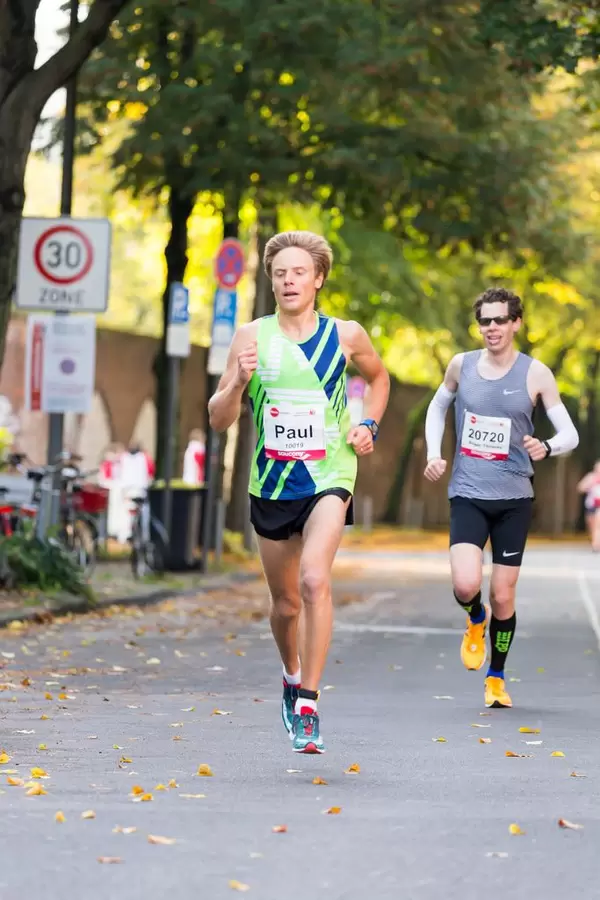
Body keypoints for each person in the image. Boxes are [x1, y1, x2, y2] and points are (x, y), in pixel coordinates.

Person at [208, 230, 390, 753]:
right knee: (286, 604)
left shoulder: (346, 335)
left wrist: (369, 425)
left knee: (314, 579)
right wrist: (236, 384)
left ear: (318, 280)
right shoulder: (251, 337)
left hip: (331, 473)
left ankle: (308, 702)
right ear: (271, 281)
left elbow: (380, 380)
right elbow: (218, 419)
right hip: (272, 481)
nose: (289, 281)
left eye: (299, 273)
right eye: (280, 273)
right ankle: (291, 675)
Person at [423, 287, 579, 709]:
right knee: (465, 584)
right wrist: (434, 453)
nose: (491, 328)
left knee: (504, 597)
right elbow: (437, 408)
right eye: (484, 321)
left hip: (514, 499)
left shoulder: (536, 374)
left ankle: (496, 677)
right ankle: (475, 618)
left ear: (516, 323)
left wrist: (546, 446)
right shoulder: (462, 365)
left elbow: (570, 434)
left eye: (499, 320)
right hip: (468, 493)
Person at [577, 461, 600, 552]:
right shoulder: (590, 477)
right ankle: (595, 541)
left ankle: (596, 545)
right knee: (591, 525)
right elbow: (580, 488)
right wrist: (590, 484)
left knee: (597, 525)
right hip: (591, 505)